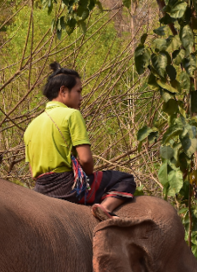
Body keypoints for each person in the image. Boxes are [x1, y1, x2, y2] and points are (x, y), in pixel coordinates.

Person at [24, 62, 136, 218]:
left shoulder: (31, 126)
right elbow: (86, 160)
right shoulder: (71, 115)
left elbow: (32, 173)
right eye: (78, 91)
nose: (81, 98)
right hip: (67, 188)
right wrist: (86, 174)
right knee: (125, 179)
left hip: (40, 189)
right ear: (63, 90)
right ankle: (104, 210)